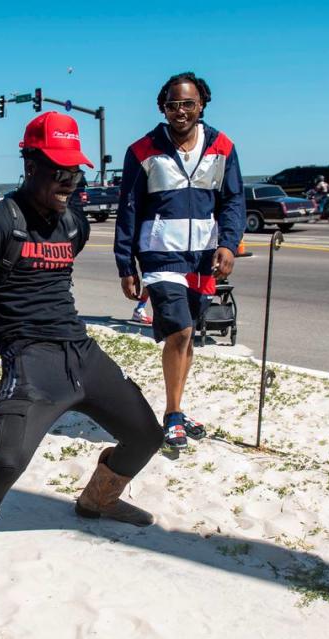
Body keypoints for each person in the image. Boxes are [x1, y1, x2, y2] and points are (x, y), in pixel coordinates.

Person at [0, 112, 164, 606]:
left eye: (75, 173)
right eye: (58, 171)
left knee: (147, 434)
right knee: (7, 460)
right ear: (30, 163)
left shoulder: (74, 223)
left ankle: (98, 500)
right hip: (30, 359)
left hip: (80, 351)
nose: (68, 183)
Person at [114, 71, 246, 450]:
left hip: (203, 256)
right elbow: (129, 208)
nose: (180, 111)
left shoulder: (222, 146)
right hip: (159, 256)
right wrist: (127, 264)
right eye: (173, 105)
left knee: (189, 336)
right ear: (163, 108)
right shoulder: (141, 151)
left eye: (188, 104)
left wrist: (228, 243)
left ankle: (177, 406)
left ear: (201, 104)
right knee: (180, 332)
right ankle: (172, 415)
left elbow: (233, 200)